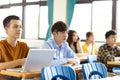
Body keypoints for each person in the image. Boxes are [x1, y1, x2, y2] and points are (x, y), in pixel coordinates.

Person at [0, 15, 29, 80]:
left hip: (19, 77)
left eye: (20, 27)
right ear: (6, 29)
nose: (19, 29)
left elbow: (31, 62)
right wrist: (19, 62)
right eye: (15, 26)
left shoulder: (24, 46)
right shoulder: (1, 45)